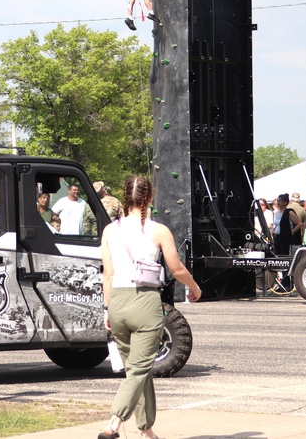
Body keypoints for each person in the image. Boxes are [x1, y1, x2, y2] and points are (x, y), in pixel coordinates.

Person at [99, 176, 201, 439]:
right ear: (150, 199)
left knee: (137, 369)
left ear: (125, 198)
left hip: (117, 302)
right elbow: (176, 268)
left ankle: (146, 430)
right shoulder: (158, 230)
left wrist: (106, 309)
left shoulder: (110, 230)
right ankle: (114, 423)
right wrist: (195, 287)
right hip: (145, 302)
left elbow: (107, 274)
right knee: (138, 370)